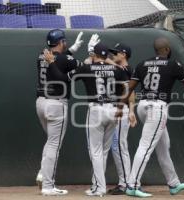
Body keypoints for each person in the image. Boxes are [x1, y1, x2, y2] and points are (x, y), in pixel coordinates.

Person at [115, 37, 184, 198]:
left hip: (143, 106)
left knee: (163, 146)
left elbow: (130, 87)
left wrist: (120, 107)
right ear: (167, 49)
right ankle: (132, 185)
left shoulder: (142, 64)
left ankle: (174, 183)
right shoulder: (173, 64)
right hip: (157, 108)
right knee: (146, 146)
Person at [44, 43, 129, 197]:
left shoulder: (86, 68)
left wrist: (51, 63)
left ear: (93, 55)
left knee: (95, 151)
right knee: (103, 151)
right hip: (113, 109)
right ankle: (97, 185)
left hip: (96, 110)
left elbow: (61, 78)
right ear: (106, 56)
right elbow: (127, 89)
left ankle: (99, 188)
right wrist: (121, 108)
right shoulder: (117, 70)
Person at [36, 29, 84, 196]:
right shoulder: (63, 59)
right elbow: (70, 63)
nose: (66, 43)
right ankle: (48, 186)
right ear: (60, 42)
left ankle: (43, 173)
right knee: (54, 145)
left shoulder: (42, 55)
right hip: (56, 103)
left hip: (41, 102)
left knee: (51, 142)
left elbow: (61, 59)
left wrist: (73, 49)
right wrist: (90, 55)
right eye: (64, 41)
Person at [107, 43, 137, 195]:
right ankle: (125, 181)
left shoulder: (127, 69)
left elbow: (130, 91)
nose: (113, 55)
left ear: (124, 55)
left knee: (119, 146)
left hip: (122, 110)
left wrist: (131, 111)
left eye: (116, 52)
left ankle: (125, 183)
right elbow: (103, 59)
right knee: (117, 146)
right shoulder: (118, 68)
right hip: (115, 109)